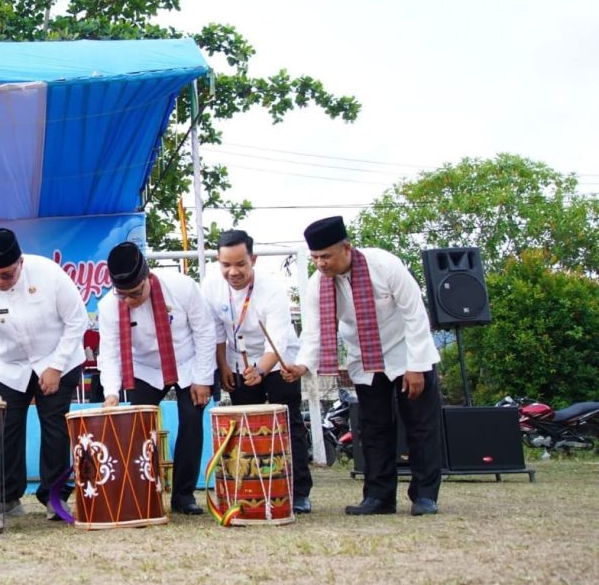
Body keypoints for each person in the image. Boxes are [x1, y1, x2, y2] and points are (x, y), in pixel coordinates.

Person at [281, 216, 443, 516]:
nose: (320, 264)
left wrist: (416, 366)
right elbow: (314, 331)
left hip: (407, 353)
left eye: (326, 256)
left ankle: (424, 496)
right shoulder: (318, 285)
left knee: (420, 426)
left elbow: (415, 314)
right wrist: (301, 365)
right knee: (372, 429)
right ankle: (379, 497)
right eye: (315, 257)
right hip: (366, 360)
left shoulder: (385, 264)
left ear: (347, 248)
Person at [0, 228, 87, 520]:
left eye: (7, 275)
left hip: (57, 357)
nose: (0, 282)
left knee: (55, 427)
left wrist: (56, 366)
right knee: (6, 429)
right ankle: (8, 497)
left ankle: (54, 497)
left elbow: (78, 321)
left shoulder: (49, 274)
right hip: (10, 365)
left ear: (20, 263)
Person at [97, 242, 215, 515]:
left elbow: (205, 331)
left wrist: (202, 377)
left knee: (191, 419)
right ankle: (143, 494)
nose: (129, 301)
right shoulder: (109, 306)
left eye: (135, 293)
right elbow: (110, 353)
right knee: (138, 428)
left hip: (186, 362)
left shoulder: (182, 286)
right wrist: (111, 393)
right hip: (144, 369)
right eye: (123, 295)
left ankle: (183, 496)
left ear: (148, 277)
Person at [202, 229, 312, 514]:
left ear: (253, 259)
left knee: (288, 423)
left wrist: (261, 370)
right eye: (226, 265)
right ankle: (253, 489)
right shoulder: (211, 285)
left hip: (277, 359)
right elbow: (216, 331)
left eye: (240, 264)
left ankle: (298, 491)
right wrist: (224, 366)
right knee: (246, 427)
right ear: (218, 262)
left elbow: (276, 339)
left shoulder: (272, 289)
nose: (233, 272)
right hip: (238, 361)